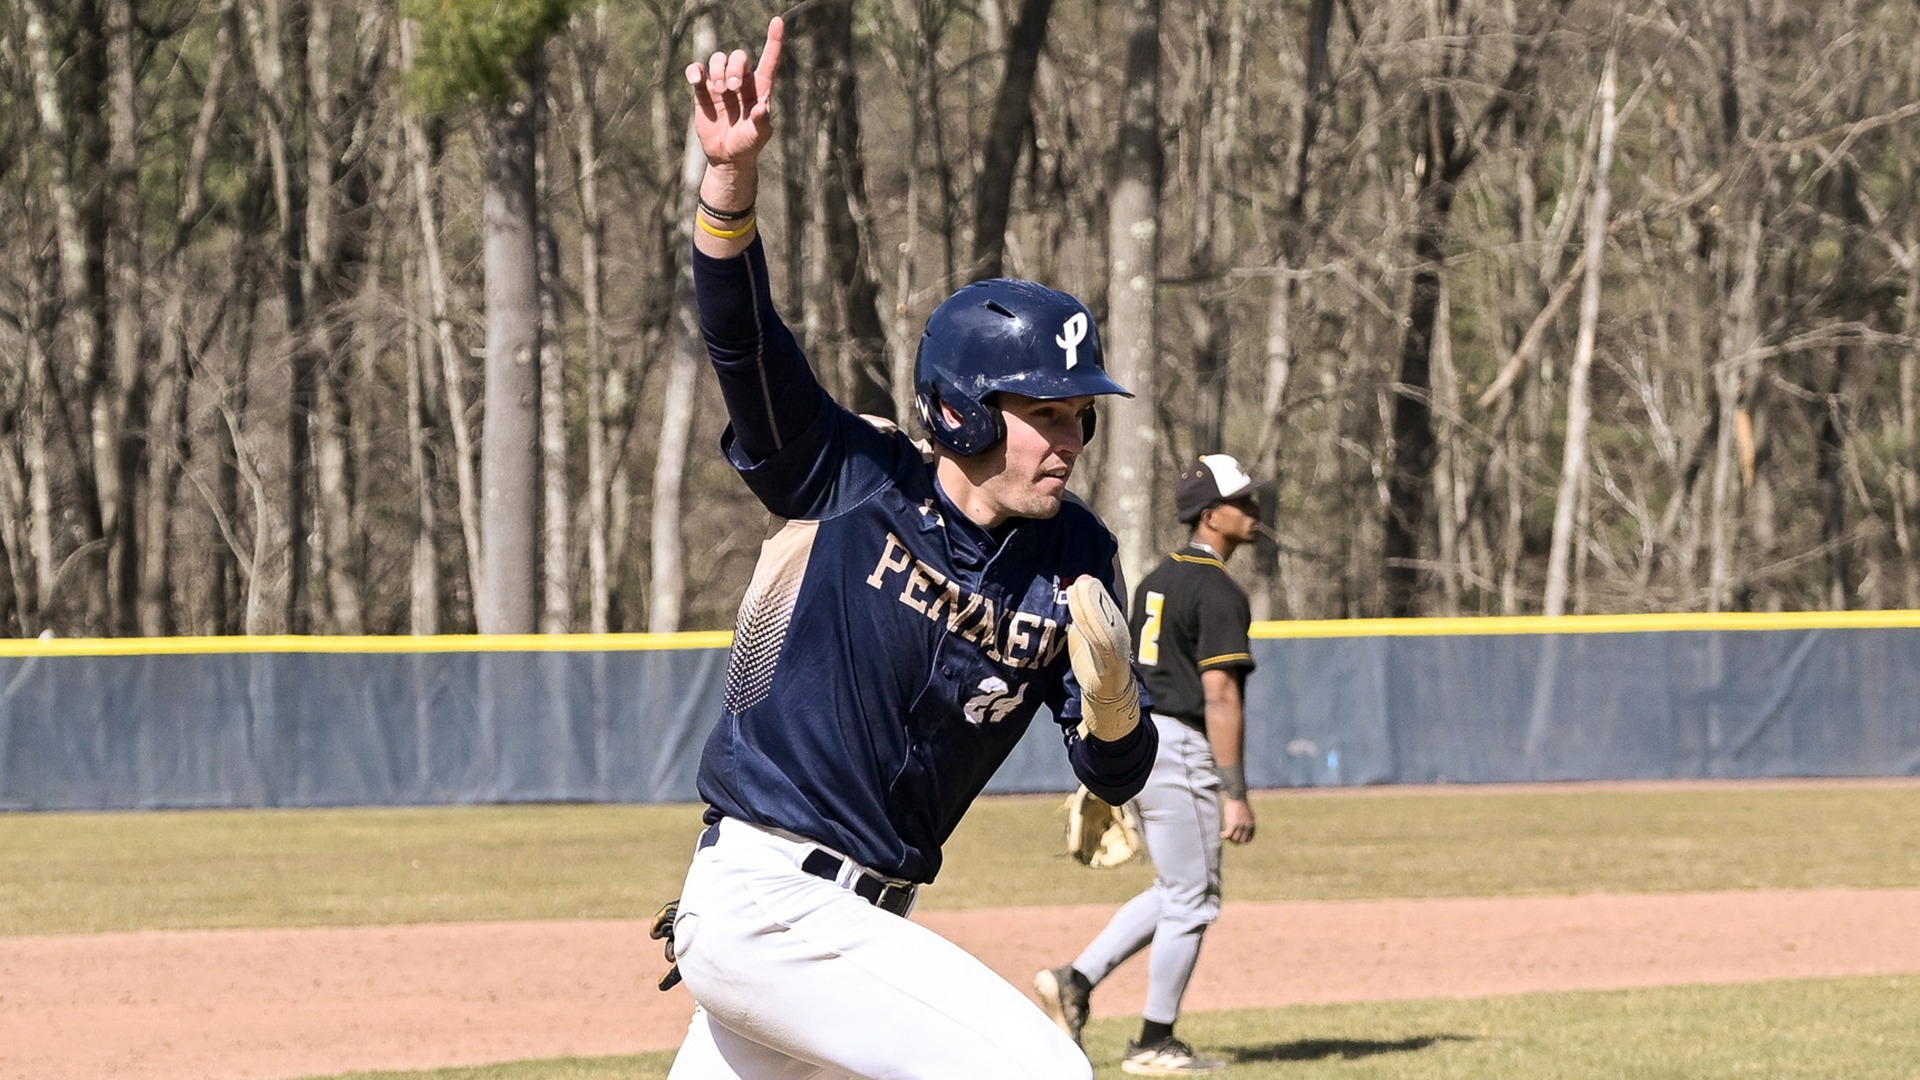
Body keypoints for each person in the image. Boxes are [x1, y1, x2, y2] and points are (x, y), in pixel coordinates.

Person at [661, 17, 1157, 1079]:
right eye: (1047, 412)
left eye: (1081, 417)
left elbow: (1112, 768)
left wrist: (1116, 709)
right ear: (964, 411)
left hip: (840, 934)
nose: (1071, 438)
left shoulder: (1073, 557)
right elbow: (745, 345)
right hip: (770, 905)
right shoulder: (853, 479)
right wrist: (728, 186)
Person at [1033, 453, 1263, 1076]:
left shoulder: (1157, 578)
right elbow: (1219, 694)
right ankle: (1153, 1041)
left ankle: (1074, 979)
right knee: (1195, 900)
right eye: (1243, 503)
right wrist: (1235, 791)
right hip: (1182, 745)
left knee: (1177, 891)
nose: (1254, 511)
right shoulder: (1217, 589)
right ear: (1210, 516)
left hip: (1142, 739)